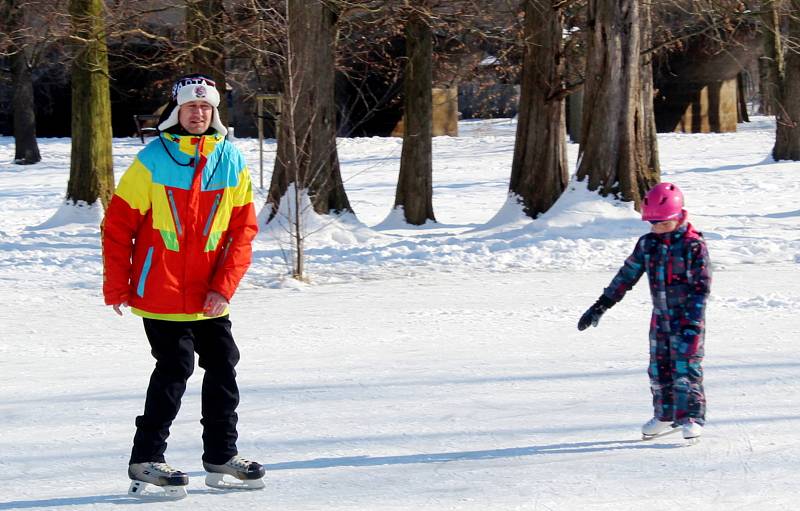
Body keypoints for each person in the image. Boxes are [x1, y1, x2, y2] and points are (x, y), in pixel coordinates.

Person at [102, 74, 263, 498]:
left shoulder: (231, 159)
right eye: (191, 107)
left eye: (206, 108)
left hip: (211, 295)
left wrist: (224, 287)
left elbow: (242, 232)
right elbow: (119, 227)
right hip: (162, 290)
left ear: (214, 114)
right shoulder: (152, 159)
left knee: (224, 366)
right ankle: (146, 459)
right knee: (175, 369)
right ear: (177, 112)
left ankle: (221, 455)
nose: (199, 114)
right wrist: (118, 285)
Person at [577, 182, 711, 442]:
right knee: (658, 369)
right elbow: (627, 275)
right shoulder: (648, 244)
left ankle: (691, 417)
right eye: (652, 223)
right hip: (660, 319)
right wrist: (601, 304)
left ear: (676, 216)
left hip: (688, 320)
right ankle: (665, 414)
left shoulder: (693, 246)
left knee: (686, 368)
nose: (656, 228)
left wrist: (692, 323)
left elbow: (701, 288)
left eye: (662, 223)